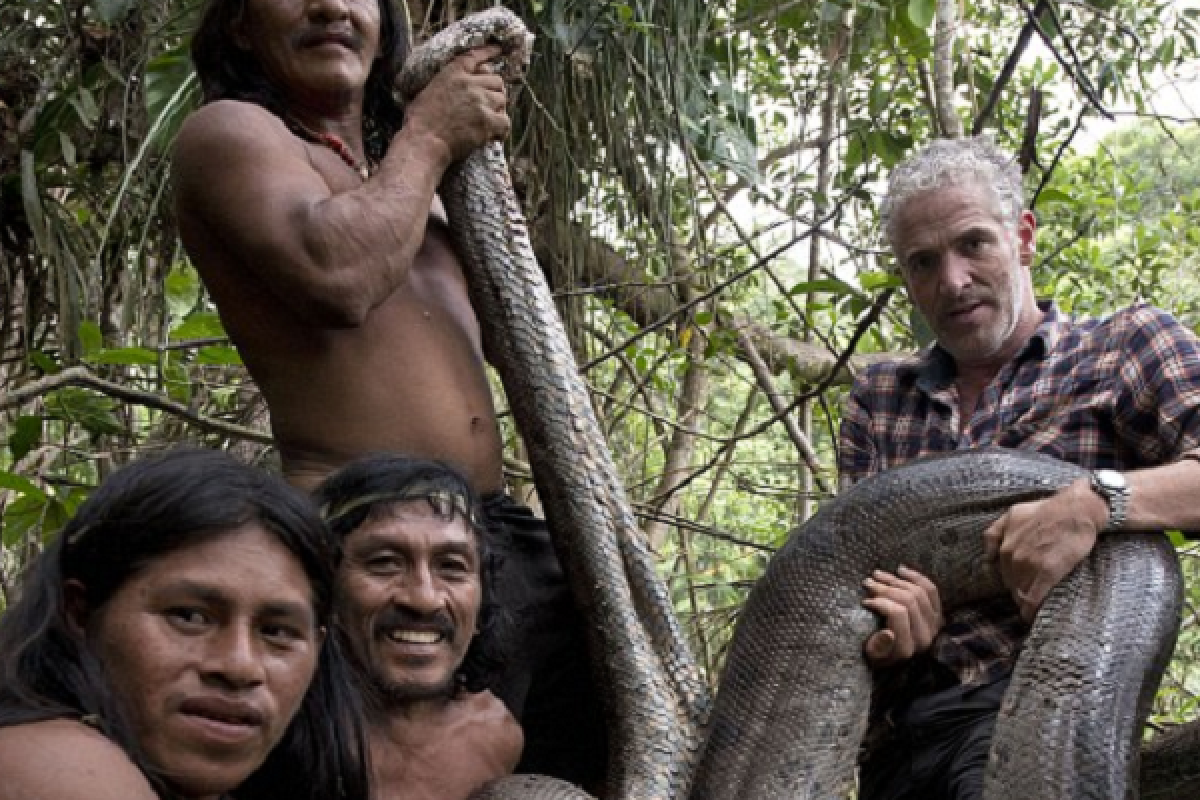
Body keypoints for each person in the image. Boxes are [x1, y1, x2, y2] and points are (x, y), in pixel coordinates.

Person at [173, 0, 605, 786]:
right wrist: (433, 132)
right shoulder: (234, 134)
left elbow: (513, 346)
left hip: (485, 538)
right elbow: (337, 275)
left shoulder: (410, 186)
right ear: (239, 25)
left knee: (569, 764)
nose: (334, 6)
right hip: (360, 535)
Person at [839, 135, 1200, 800]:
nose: (951, 280)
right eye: (923, 263)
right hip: (895, 741)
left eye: (973, 243)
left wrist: (1096, 501)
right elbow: (852, 571)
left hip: (1038, 703)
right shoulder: (879, 398)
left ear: (1023, 237)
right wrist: (891, 623)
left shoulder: (1120, 348)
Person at [0, 448, 369, 800]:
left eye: (276, 632)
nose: (239, 666)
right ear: (80, 612)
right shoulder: (57, 767)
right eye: (189, 617)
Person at [316, 455, 522, 800]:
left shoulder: (497, 737)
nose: (424, 599)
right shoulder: (280, 727)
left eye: (452, 566)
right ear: (327, 587)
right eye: (384, 563)